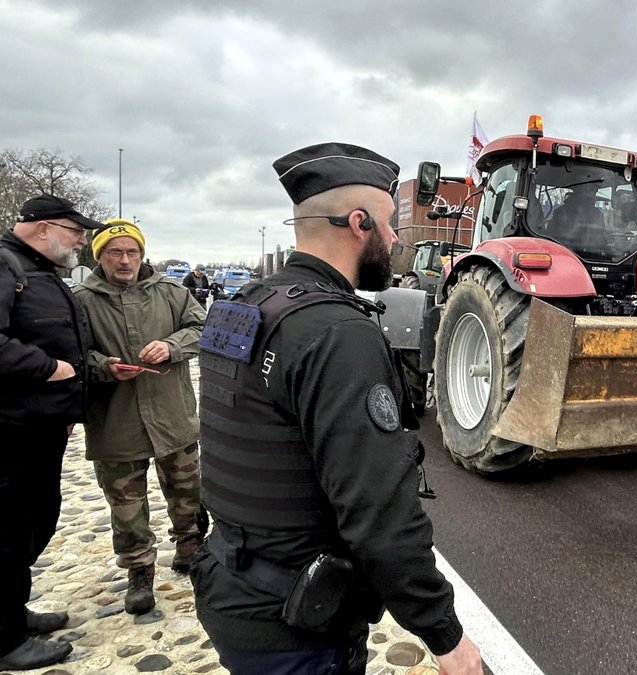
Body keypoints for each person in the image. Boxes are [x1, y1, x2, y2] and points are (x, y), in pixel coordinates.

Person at [190, 143, 481, 675]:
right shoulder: (337, 333)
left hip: (231, 584)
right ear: (359, 222)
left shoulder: (245, 306)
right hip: (297, 624)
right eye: (391, 226)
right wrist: (446, 637)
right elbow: (380, 515)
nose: (396, 240)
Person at [73, 220, 206, 615]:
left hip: (171, 413)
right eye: (115, 252)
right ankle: (139, 569)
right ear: (99, 257)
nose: (125, 260)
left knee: (187, 490)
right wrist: (102, 366)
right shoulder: (81, 300)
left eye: (132, 252)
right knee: (126, 505)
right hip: (115, 419)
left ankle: (190, 547)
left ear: (142, 255)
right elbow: (71, 350)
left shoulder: (171, 292)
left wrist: (171, 346)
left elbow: (204, 327)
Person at [0, 194, 104, 670]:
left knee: (32, 522)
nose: (82, 241)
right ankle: (4, 641)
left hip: (39, 428)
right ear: (43, 228)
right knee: (7, 529)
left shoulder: (38, 270)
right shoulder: (6, 266)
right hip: (11, 430)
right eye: (76, 231)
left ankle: (12, 615)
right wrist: (47, 368)